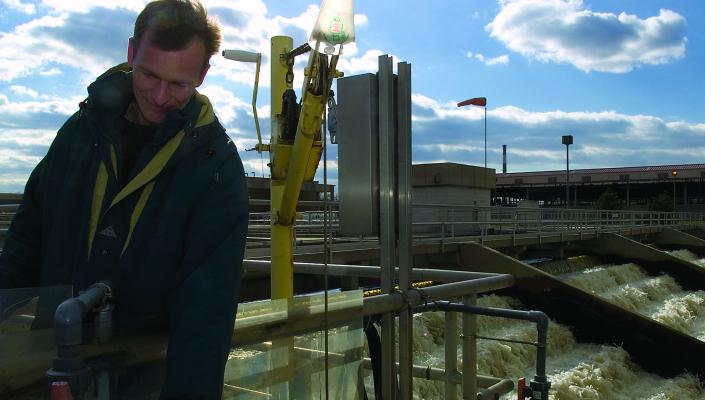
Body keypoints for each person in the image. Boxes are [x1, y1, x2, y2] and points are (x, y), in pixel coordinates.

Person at [0, 0, 248, 398]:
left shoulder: (215, 168)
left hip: (145, 377)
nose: (162, 96)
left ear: (203, 75)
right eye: (149, 75)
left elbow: (207, 313)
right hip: (53, 368)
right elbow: (24, 246)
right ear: (132, 52)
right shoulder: (79, 133)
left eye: (180, 84)